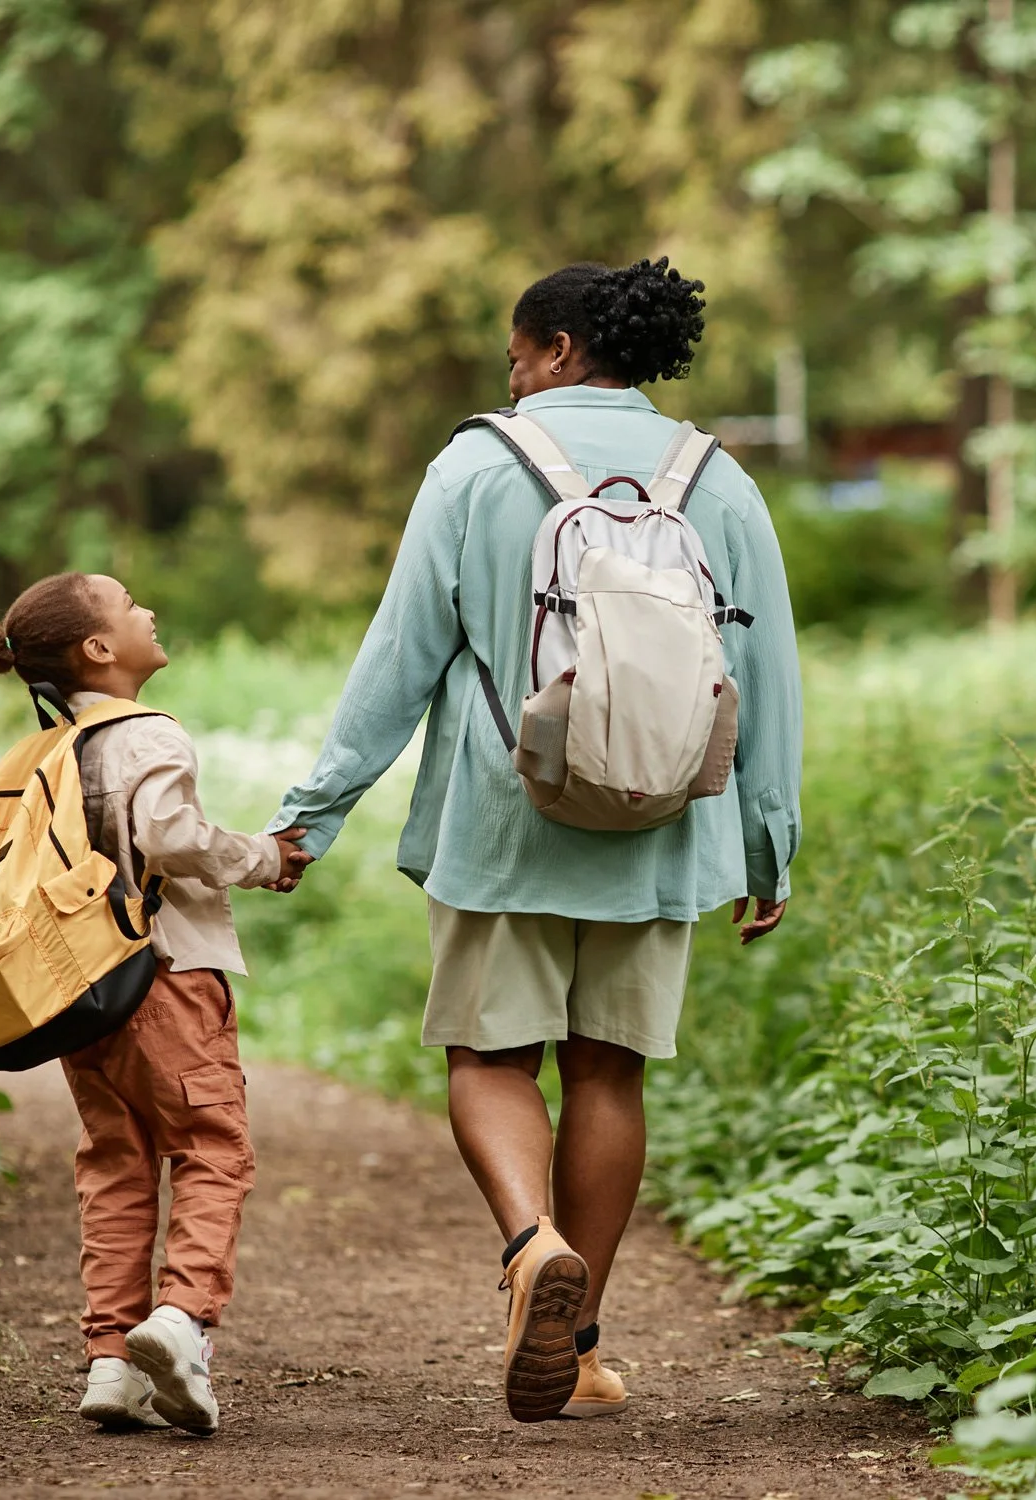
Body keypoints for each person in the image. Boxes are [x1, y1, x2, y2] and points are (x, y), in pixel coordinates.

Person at [266, 259, 803, 1423]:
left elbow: (400, 655)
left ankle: (528, 1249)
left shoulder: (475, 466)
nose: (509, 379)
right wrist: (770, 844)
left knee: (491, 1058)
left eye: (517, 356)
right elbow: (766, 676)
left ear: (560, 348)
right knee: (609, 1069)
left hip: (507, 814)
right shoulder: (719, 481)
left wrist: (313, 811)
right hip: (664, 822)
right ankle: (586, 1340)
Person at [0, 573, 310, 1436]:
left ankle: (110, 1363)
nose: (148, 613)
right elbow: (170, 838)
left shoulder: (53, 746)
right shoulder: (146, 734)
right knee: (212, 1148)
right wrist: (263, 857)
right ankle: (181, 1322)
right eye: (129, 607)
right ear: (99, 649)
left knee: (116, 1162)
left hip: (82, 993)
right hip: (166, 976)